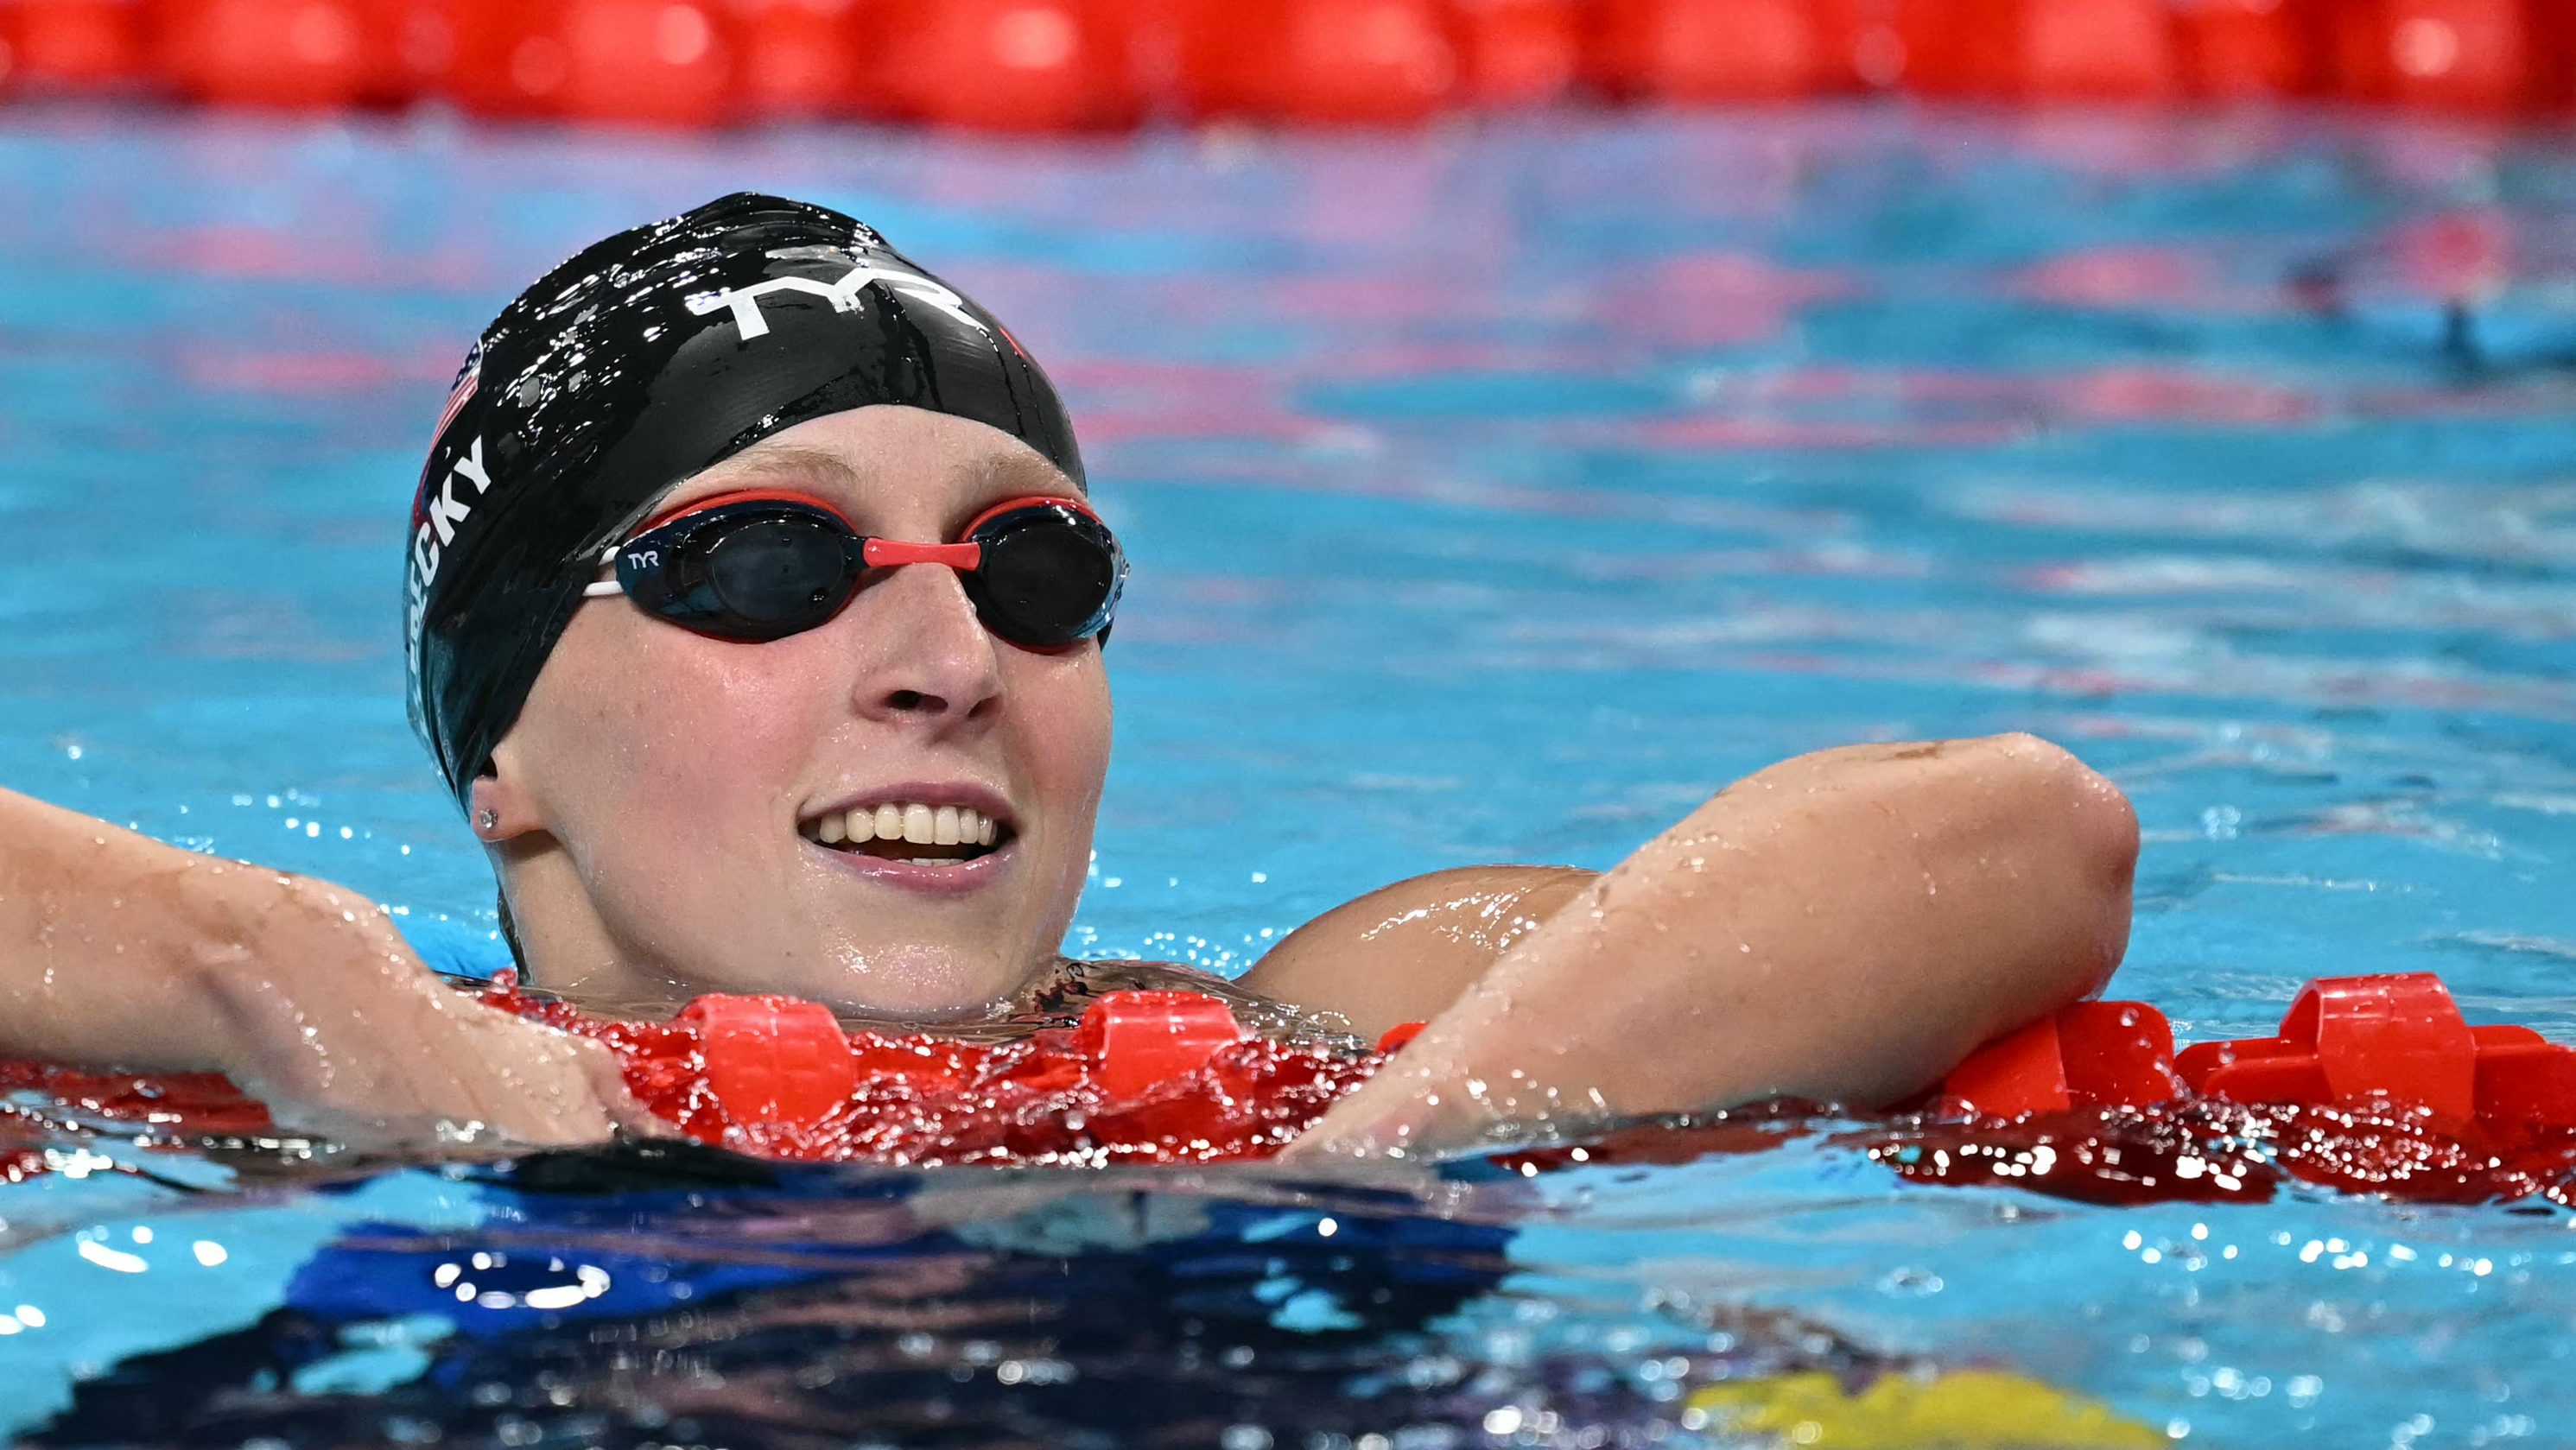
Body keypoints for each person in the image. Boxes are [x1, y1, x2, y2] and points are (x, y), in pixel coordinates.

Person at [0, 193, 2139, 1159]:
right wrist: (264, 968)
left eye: (1035, 569)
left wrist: (1383, 1147)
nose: (949, 658)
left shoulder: (1295, 1043)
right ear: (506, 752)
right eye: (765, 559)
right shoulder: (279, 1101)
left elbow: (2020, 836)